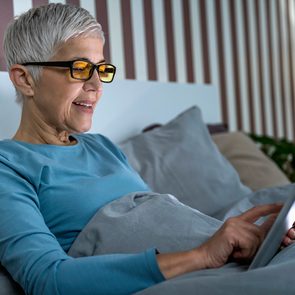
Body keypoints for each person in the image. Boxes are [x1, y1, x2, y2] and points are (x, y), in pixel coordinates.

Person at [0, 3, 294, 295]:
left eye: (100, 70)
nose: (96, 85)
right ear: (25, 79)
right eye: (79, 69)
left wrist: (250, 239)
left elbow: (160, 221)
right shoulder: (8, 166)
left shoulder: (102, 147)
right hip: (183, 275)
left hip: (218, 263)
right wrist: (202, 254)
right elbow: (48, 280)